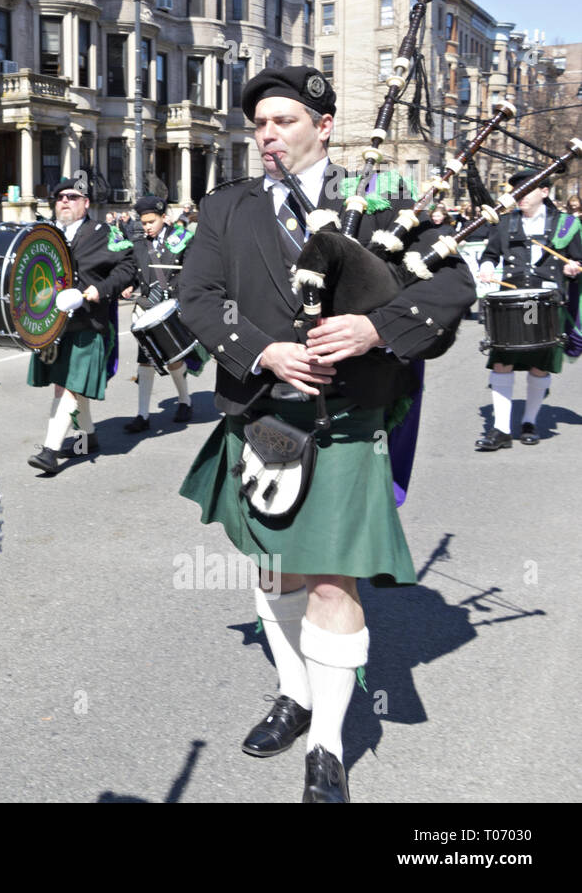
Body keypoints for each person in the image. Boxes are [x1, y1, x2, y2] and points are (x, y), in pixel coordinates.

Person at [177, 65, 474, 803]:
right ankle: (294, 690)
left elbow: (452, 283)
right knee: (275, 568)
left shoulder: (381, 201)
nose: (268, 134)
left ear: (323, 126)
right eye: (260, 124)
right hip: (263, 413)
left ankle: (327, 743)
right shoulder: (226, 208)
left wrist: (378, 326)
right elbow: (198, 296)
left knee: (332, 581)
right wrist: (261, 349)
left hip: (345, 420)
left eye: (284, 120)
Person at [26, 176, 136, 474]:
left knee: (68, 387)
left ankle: (49, 451)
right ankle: (88, 439)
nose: (64, 201)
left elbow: (128, 266)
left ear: (86, 203)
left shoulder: (103, 232)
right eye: (60, 196)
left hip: (89, 322)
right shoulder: (45, 233)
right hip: (53, 325)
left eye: (72, 197)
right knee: (70, 385)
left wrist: (102, 289)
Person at [475, 169, 582, 449]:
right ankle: (500, 429)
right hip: (511, 299)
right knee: (502, 361)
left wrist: (573, 268)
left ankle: (529, 422)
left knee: (538, 362)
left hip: (543, 302)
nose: (518, 196)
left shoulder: (566, 224)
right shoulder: (504, 222)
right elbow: (489, 254)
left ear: (544, 192)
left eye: (526, 190)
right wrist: (486, 268)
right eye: (516, 191)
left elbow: (578, 260)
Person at [123, 194, 196, 432]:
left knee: (174, 358)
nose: (147, 227)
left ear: (164, 218)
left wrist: (171, 293)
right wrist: (130, 286)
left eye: (151, 222)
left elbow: (191, 272)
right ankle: (142, 415)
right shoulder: (139, 244)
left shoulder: (183, 239)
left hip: (172, 308)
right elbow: (135, 272)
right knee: (145, 360)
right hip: (146, 309)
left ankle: (185, 400)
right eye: (143, 223)